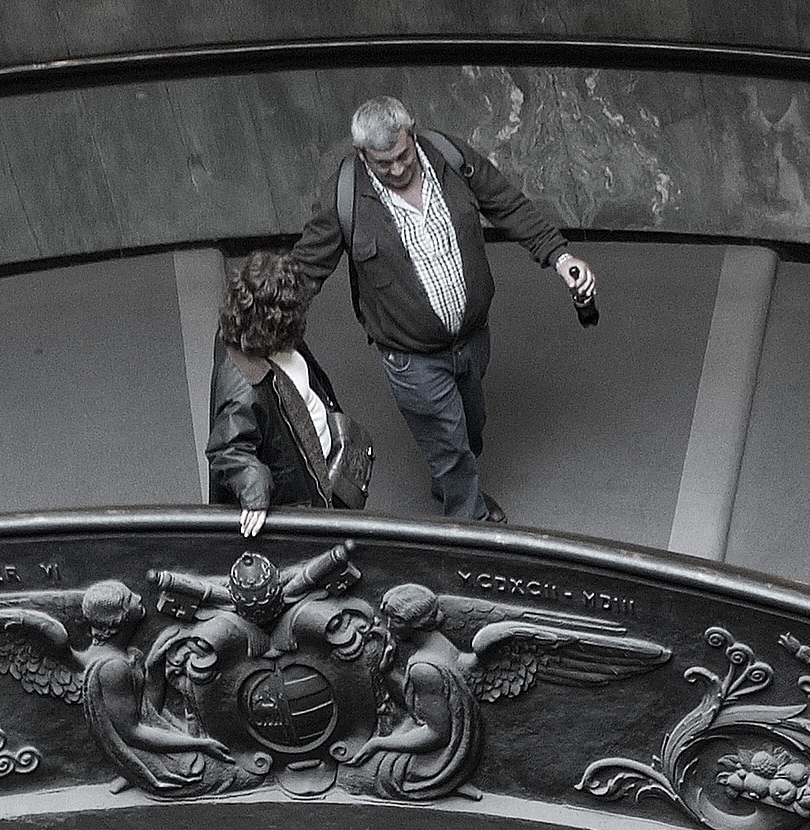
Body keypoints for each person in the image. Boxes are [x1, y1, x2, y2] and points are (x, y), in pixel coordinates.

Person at [276, 96, 597, 523]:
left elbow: (508, 205)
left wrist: (560, 257)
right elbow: (306, 268)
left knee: (470, 426)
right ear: (361, 154)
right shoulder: (344, 196)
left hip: (472, 339)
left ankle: (451, 476)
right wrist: (269, 322)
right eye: (382, 163)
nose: (396, 169)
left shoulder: (451, 156)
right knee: (448, 442)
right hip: (411, 359)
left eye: (402, 156)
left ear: (414, 132)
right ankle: (471, 523)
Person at [204, 250, 368, 536]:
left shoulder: (258, 336)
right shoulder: (243, 386)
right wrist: (254, 490)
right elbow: (228, 448)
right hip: (300, 494)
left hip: (309, 472)